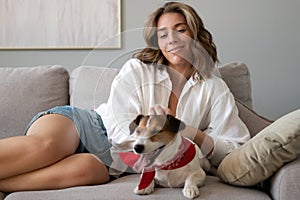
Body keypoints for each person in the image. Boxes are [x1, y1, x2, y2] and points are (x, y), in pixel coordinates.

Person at [0, 1, 250, 192]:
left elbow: (234, 147)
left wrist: (190, 132)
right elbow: (119, 127)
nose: (171, 39)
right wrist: (152, 139)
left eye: (180, 30)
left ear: (194, 35)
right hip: (87, 125)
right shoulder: (138, 68)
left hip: (111, 161)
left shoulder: (214, 87)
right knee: (45, 147)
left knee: (87, 171)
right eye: (163, 34)